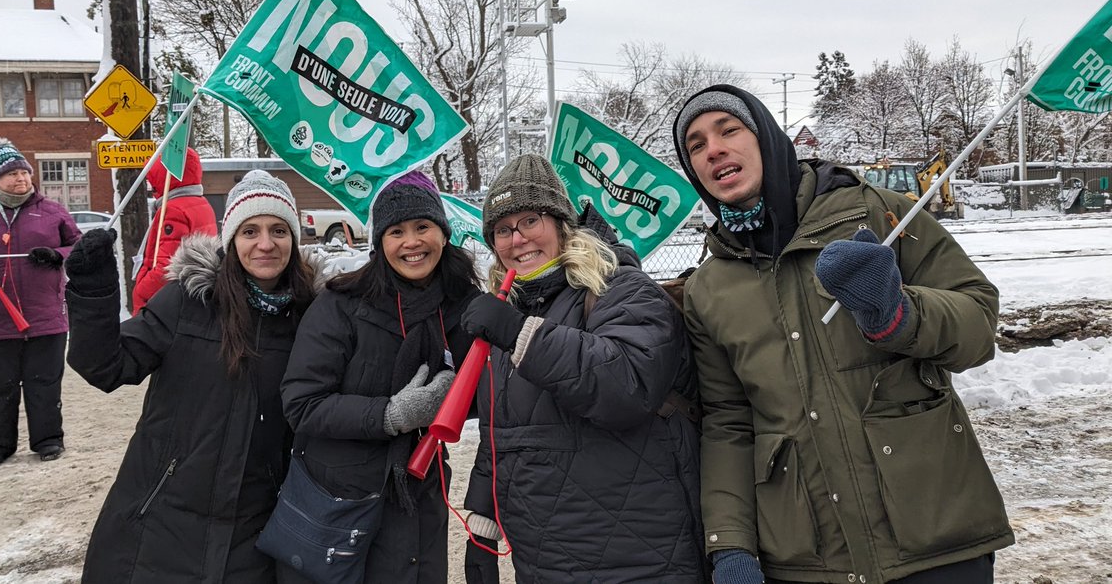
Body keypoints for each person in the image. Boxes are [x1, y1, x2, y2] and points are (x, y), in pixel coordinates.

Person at [672, 85, 1013, 584]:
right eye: (697, 145)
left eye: (729, 130)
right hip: (808, 559)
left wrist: (898, 315)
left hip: (934, 537)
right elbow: (729, 423)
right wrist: (731, 545)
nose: (714, 149)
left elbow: (979, 326)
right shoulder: (708, 287)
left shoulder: (881, 214)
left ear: (765, 137)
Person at [63, 170, 321, 582]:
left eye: (279, 230)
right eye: (250, 230)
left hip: (256, 527)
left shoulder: (313, 317)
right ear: (231, 239)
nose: (265, 244)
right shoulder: (188, 301)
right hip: (162, 518)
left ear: (294, 238)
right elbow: (106, 365)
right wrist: (93, 290)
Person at [460, 154, 705, 583]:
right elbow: (503, 429)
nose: (518, 240)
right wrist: (482, 521)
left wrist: (522, 336)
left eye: (530, 220)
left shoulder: (619, 287)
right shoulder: (511, 310)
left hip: (637, 558)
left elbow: (627, 386)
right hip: (543, 562)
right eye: (502, 229)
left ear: (561, 223)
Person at [279, 172, 482, 583]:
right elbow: (302, 404)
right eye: (396, 231)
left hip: (421, 492)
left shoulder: (465, 306)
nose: (412, 242)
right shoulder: (340, 306)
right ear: (379, 243)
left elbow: (485, 394)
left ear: (442, 234)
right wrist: (390, 415)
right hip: (340, 499)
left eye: (423, 227)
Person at [0, 135, 81, 470]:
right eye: (12, 174)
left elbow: (79, 247)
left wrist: (56, 255)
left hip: (45, 315)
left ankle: (48, 439)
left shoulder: (52, 211)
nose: (21, 179)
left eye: (25, 173)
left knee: (44, 383)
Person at [132, 146, 217, 313]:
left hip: (165, 302)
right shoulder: (201, 203)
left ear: (163, 176)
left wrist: (140, 292)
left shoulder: (173, 210)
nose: (150, 184)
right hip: (191, 293)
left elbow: (166, 266)